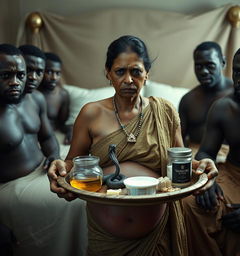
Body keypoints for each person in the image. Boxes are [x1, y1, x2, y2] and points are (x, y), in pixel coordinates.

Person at [47, 35, 218, 256]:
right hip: (106, 238)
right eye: (120, 71)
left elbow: (179, 162)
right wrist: (59, 165)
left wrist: (201, 165)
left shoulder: (164, 111)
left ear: (147, 74)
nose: (128, 79)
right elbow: (72, 162)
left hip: (157, 234)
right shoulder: (91, 113)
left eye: (136, 71)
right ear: (108, 73)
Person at [0, 44, 87, 256]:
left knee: (91, 192)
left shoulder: (35, 99)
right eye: (6, 75)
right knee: (77, 204)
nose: (16, 82)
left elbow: (47, 137)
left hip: (43, 169)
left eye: (21, 75)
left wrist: (54, 156)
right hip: (13, 185)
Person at [183, 41, 240, 256]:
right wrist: (208, 178)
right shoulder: (224, 107)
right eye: (238, 72)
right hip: (234, 176)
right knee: (188, 204)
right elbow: (206, 152)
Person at [178, 41, 233, 161]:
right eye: (199, 66)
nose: (204, 71)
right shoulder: (188, 100)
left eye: (210, 65)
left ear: (222, 62)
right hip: (195, 156)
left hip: (229, 157)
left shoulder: (238, 94)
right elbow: (178, 141)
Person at [38, 52, 72, 145]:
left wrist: (71, 130)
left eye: (57, 73)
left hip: (51, 136)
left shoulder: (62, 95)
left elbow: (62, 124)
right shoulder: (32, 92)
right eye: (49, 72)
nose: (54, 77)